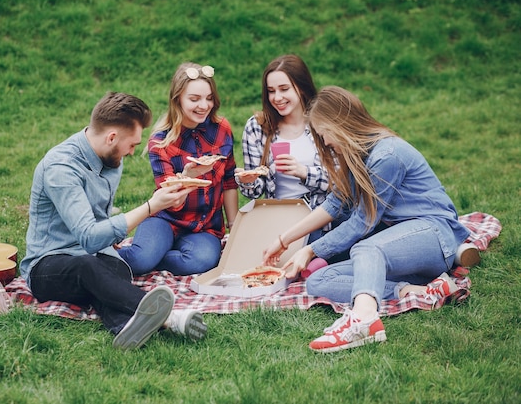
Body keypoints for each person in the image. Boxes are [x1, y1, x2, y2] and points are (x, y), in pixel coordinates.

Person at [262, 86, 472, 353]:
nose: (325, 141)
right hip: (399, 248)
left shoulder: (387, 155)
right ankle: (417, 291)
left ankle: (363, 321)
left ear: (342, 123)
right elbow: (335, 204)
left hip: (434, 236)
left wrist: (311, 249)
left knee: (366, 247)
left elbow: (362, 223)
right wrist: (284, 240)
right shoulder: (357, 156)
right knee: (319, 281)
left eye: (325, 132)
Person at [20, 92, 207, 350]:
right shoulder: (61, 168)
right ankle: (171, 318)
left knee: (117, 271)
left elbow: (100, 223)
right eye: (131, 145)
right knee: (89, 268)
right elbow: (88, 237)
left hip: (97, 256)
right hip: (49, 265)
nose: (132, 152)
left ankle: (125, 327)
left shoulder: (111, 160)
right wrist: (151, 206)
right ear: (111, 137)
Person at [118, 62, 239, 275]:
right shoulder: (160, 142)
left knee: (203, 261)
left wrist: (235, 226)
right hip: (166, 218)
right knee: (138, 261)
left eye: (209, 98)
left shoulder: (221, 129)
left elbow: (229, 180)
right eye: (194, 99)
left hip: (205, 226)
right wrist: (187, 178)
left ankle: (157, 255)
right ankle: (94, 256)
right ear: (178, 99)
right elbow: (170, 203)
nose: (204, 105)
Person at [236, 55, 330, 242]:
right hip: (275, 217)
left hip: (317, 217)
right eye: (271, 91)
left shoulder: (324, 123)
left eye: (284, 89)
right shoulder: (257, 126)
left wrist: (303, 172)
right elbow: (254, 193)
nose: (277, 98)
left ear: (301, 87)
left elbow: (341, 183)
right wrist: (248, 180)